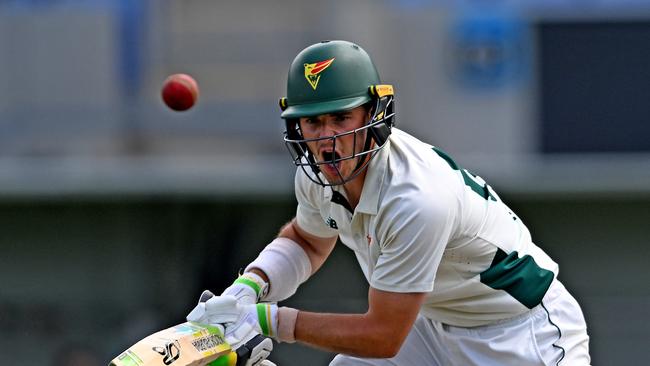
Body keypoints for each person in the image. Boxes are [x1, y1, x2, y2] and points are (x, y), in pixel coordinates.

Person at [187, 40, 591, 365]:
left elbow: (383, 337)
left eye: (340, 118)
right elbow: (308, 242)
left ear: (373, 117)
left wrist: (265, 320)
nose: (326, 139)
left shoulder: (416, 199)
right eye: (312, 122)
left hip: (517, 334)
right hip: (432, 322)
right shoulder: (318, 176)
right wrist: (248, 288)